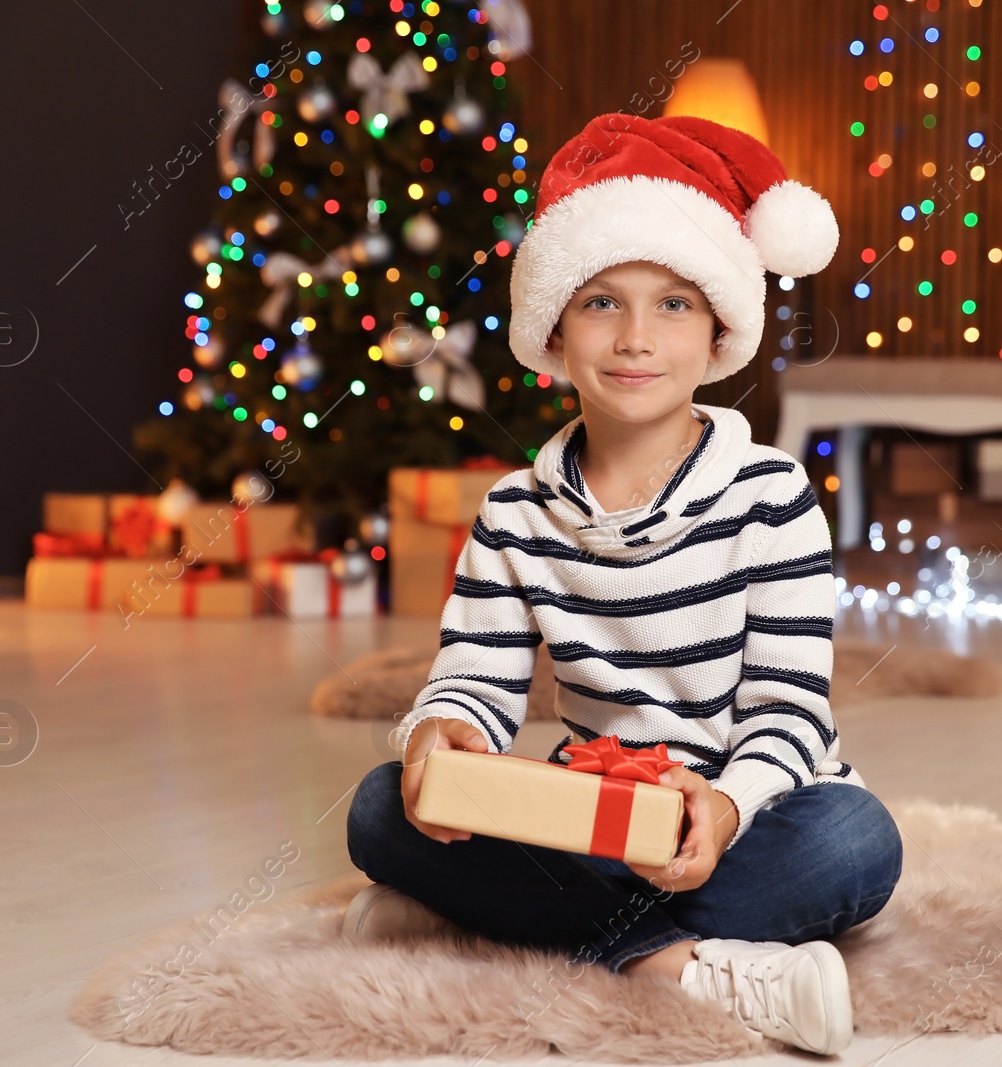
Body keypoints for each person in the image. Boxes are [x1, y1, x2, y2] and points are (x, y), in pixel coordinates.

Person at [346, 113, 903, 1056]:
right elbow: (474, 681)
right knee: (377, 805)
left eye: (674, 305)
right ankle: (674, 968)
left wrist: (725, 805)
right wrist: (444, 735)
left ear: (721, 327)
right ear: (554, 330)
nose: (636, 337)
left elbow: (790, 709)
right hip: (591, 819)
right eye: (601, 301)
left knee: (857, 840)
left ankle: (505, 923)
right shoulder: (515, 513)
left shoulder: (772, 497)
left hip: (744, 813)